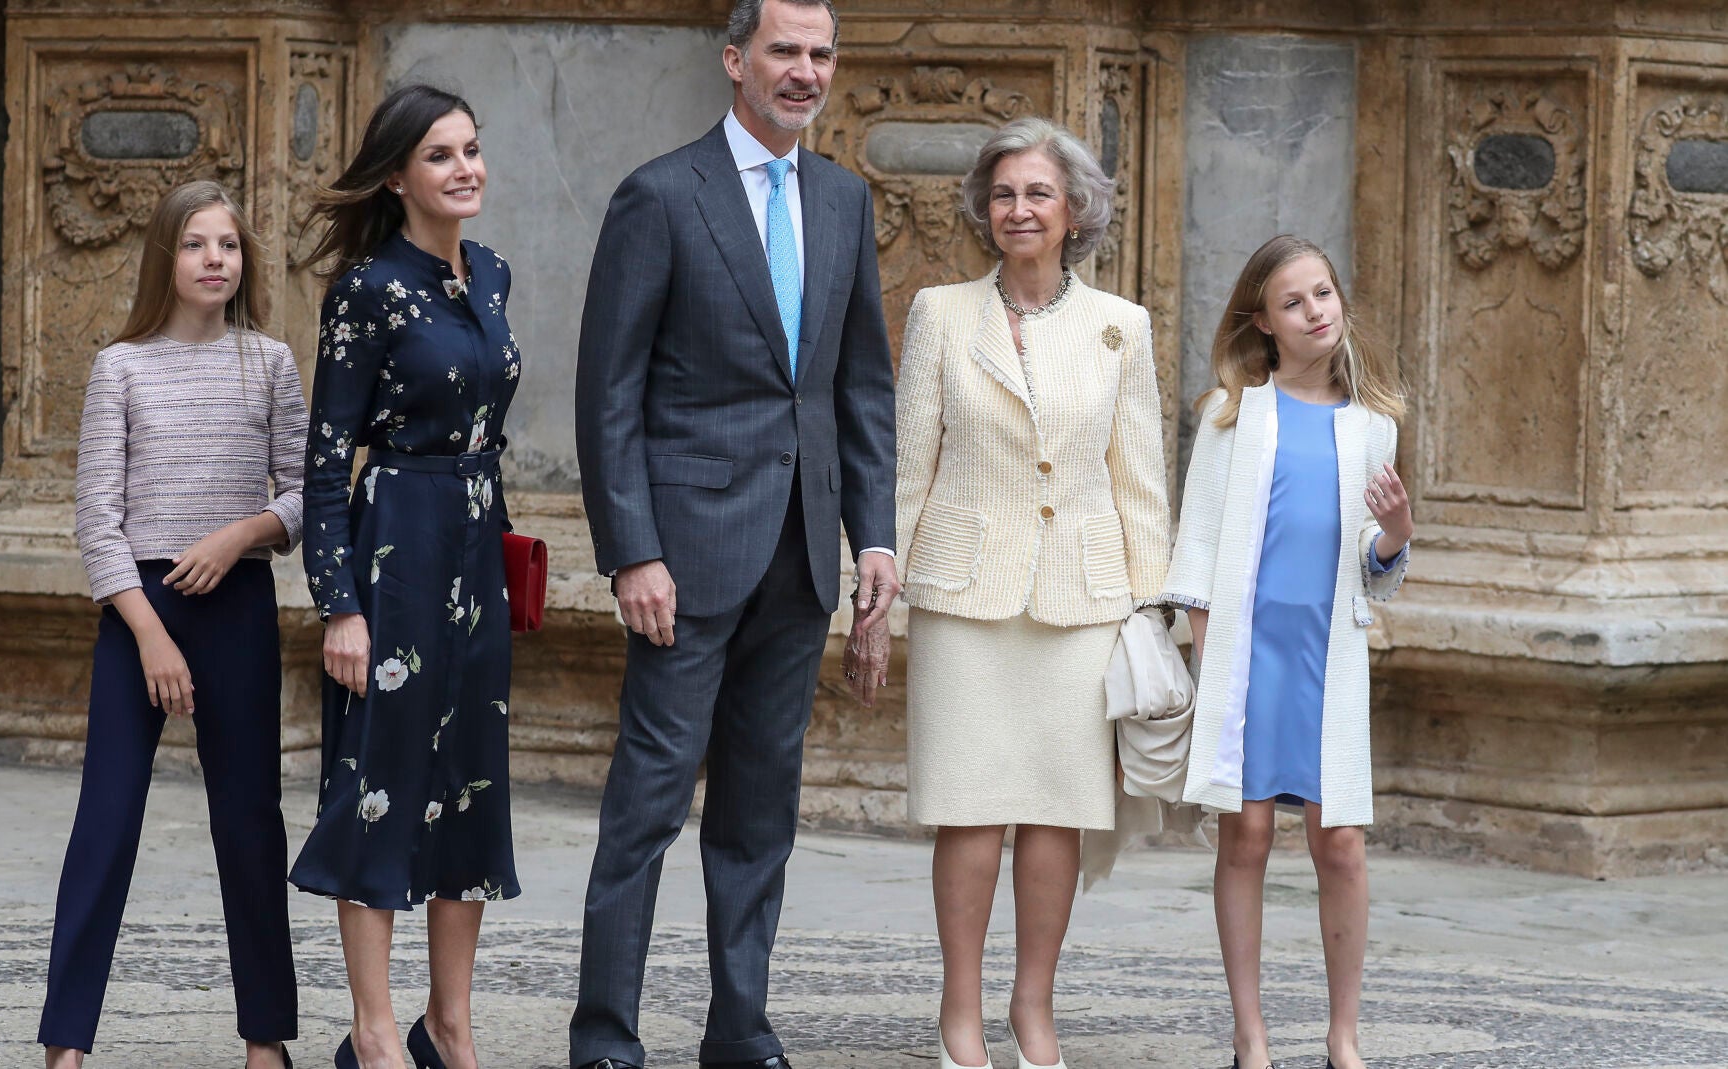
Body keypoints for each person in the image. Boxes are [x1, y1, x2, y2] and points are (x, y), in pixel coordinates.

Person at [568, 0, 898, 1064]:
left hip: (801, 556)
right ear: (734, 61)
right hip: (686, 557)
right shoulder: (661, 195)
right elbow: (607, 392)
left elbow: (860, 388)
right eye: (783, 52)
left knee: (761, 811)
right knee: (646, 805)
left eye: (820, 54)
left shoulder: (845, 200)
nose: (804, 71)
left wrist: (874, 537)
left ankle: (739, 1026)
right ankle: (605, 1032)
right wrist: (633, 550)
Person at [894, 117, 1171, 1069]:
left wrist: (1153, 611)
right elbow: (907, 469)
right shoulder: (939, 312)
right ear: (984, 207)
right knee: (969, 810)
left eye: (1039, 193)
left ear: (1075, 211)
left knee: (1057, 814)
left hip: (1081, 602)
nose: (1020, 208)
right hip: (962, 594)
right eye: (1005, 192)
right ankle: (959, 1014)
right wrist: (873, 603)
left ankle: (1033, 1010)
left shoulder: (1119, 327)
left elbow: (1140, 482)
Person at [42, 179, 302, 1069]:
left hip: (237, 602)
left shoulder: (268, 362)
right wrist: (150, 632)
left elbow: (308, 493)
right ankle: (65, 1041)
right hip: (136, 612)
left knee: (248, 818)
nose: (215, 260)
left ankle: (266, 1040)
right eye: (196, 245)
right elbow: (95, 518)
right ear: (166, 256)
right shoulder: (121, 366)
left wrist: (240, 535)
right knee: (106, 818)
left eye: (228, 245)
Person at [288, 84, 521, 1069]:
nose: (464, 167)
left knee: (469, 785)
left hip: (476, 543)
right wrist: (339, 606)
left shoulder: (495, 274)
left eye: (470, 148)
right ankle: (376, 1034)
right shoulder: (368, 289)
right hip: (396, 547)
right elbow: (323, 460)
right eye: (440, 155)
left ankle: (449, 1022)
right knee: (379, 784)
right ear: (397, 176)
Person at [1162, 235, 1412, 1069]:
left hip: (1326, 656)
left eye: (1324, 294)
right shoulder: (1234, 414)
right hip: (1248, 658)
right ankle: (1251, 1035)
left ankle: (1344, 1033)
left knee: (1339, 839)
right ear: (1263, 323)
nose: (1316, 311)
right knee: (1248, 836)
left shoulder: (1373, 425)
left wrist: (1398, 536)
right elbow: (1195, 557)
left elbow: (1374, 574)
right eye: (1294, 302)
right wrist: (1209, 669)